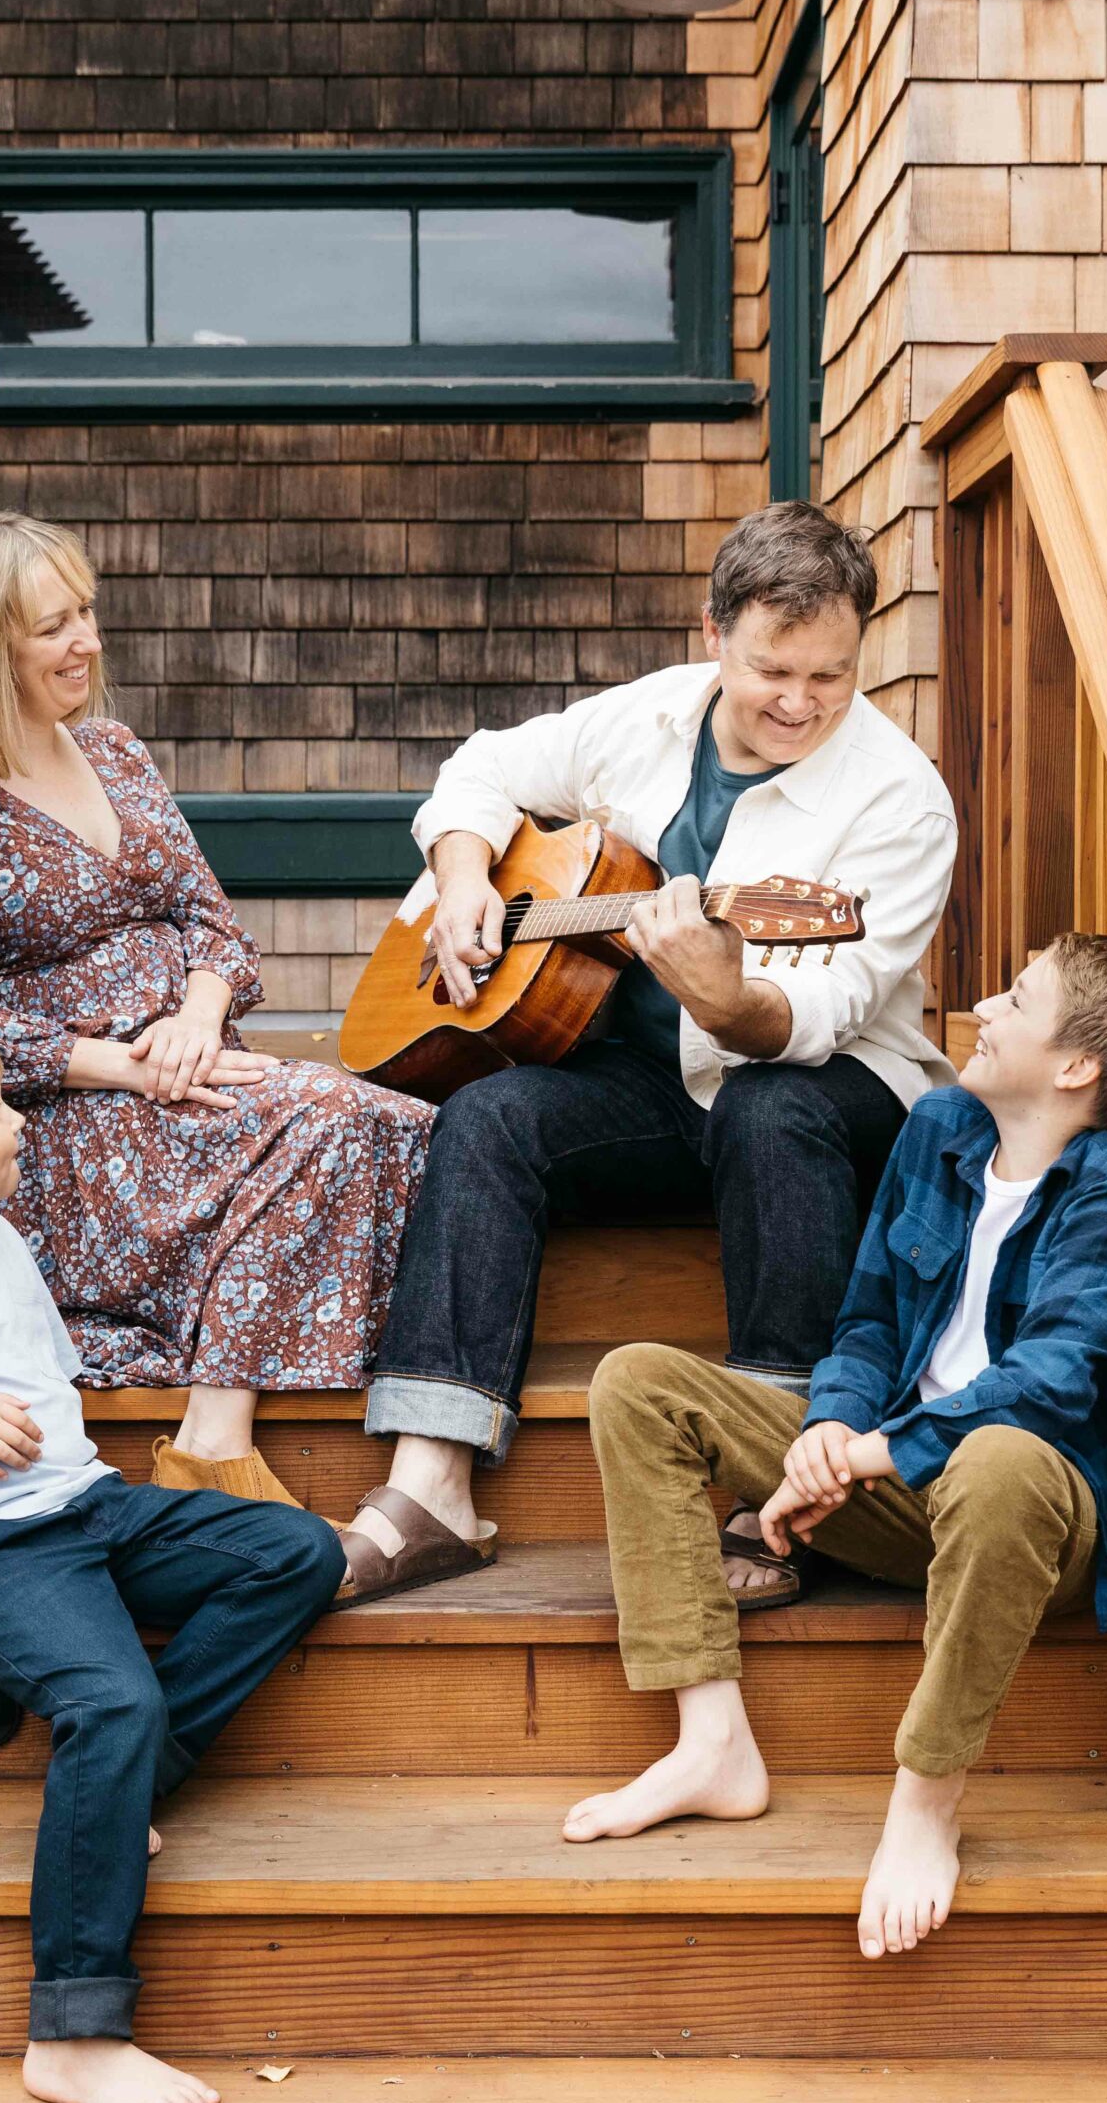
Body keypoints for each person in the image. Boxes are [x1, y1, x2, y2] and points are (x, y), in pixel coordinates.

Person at [339, 500, 958, 1604]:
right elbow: (479, 770)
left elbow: (817, 1015)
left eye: (830, 675)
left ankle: (774, 1480)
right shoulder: (651, 716)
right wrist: (471, 875)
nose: (799, 703)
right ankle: (431, 1481)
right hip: (641, 1076)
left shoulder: (899, 800)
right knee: (488, 1117)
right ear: (710, 633)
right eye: (772, 668)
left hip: (832, 1090)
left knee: (774, 1103)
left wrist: (727, 1001)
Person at [567, 932, 1107, 1972]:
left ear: (1075, 1067)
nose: (980, 1006)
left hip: (1032, 1515)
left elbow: (1054, 1378)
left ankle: (926, 1802)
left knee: (997, 1455)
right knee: (638, 1380)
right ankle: (710, 1741)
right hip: (899, 1486)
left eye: (1014, 1000)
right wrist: (832, 1427)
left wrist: (883, 1448)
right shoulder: (937, 1128)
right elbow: (869, 1320)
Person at [0, 1013, 346, 2103]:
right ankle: (73, 2031)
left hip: (84, 1505)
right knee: (107, 1699)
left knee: (294, 1549)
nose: (18, 1121)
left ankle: (124, 1792)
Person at [0, 512, 431, 1510]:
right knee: (338, 1119)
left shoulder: (115, 750)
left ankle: (251, 1423)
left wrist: (193, 1015)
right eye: (52, 626)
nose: (85, 641)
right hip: (77, 1122)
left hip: (189, 1069)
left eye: (84, 613)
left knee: (414, 1124)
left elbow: (212, 924)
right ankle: (215, 1430)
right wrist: (127, 1063)